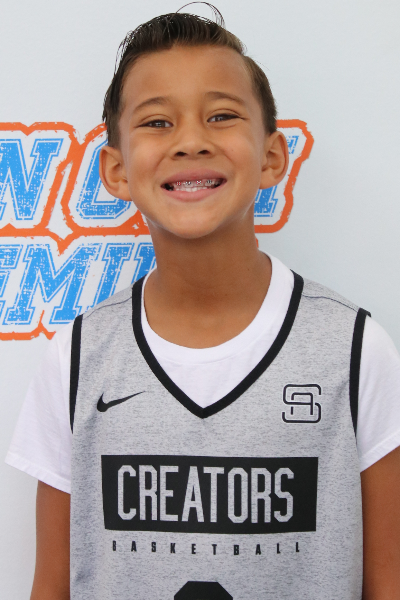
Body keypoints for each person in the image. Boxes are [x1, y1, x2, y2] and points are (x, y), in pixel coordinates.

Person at [5, 8, 400, 600]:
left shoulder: (354, 349)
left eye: (221, 116)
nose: (191, 141)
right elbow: (51, 585)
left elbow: (388, 582)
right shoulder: (80, 357)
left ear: (271, 157)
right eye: (157, 122)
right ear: (117, 169)